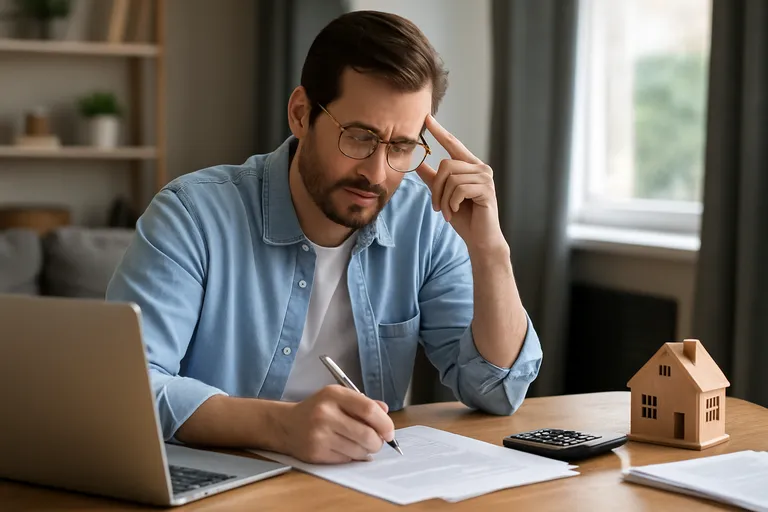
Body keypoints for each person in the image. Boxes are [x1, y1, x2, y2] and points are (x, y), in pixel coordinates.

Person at [106, 10, 543, 465]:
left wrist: (490, 250)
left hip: (361, 486)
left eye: (401, 147)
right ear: (301, 114)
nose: (376, 173)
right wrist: (281, 426)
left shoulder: (424, 219)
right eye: (359, 137)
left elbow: (498, 391)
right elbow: (126, 389)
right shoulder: (192, 216)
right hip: (222, 485)